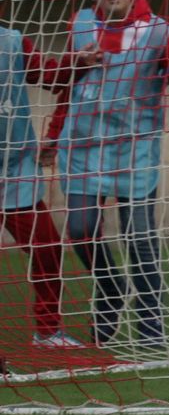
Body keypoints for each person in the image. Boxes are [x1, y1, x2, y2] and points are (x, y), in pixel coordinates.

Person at [49, 0, 169, 348]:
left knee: (139, 239)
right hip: (83, 148)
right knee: (81, 230)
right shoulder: (81, 24)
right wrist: (54, 134)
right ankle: (110, 289)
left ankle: (151, 328)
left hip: (134, 153)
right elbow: (68, 85)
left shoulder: (157, 31)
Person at [1, 22, 89, 350]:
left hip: (15, 172)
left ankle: (48, 331)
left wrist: (78, 61)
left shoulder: (11, 42)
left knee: (48, 248)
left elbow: (50, 76)